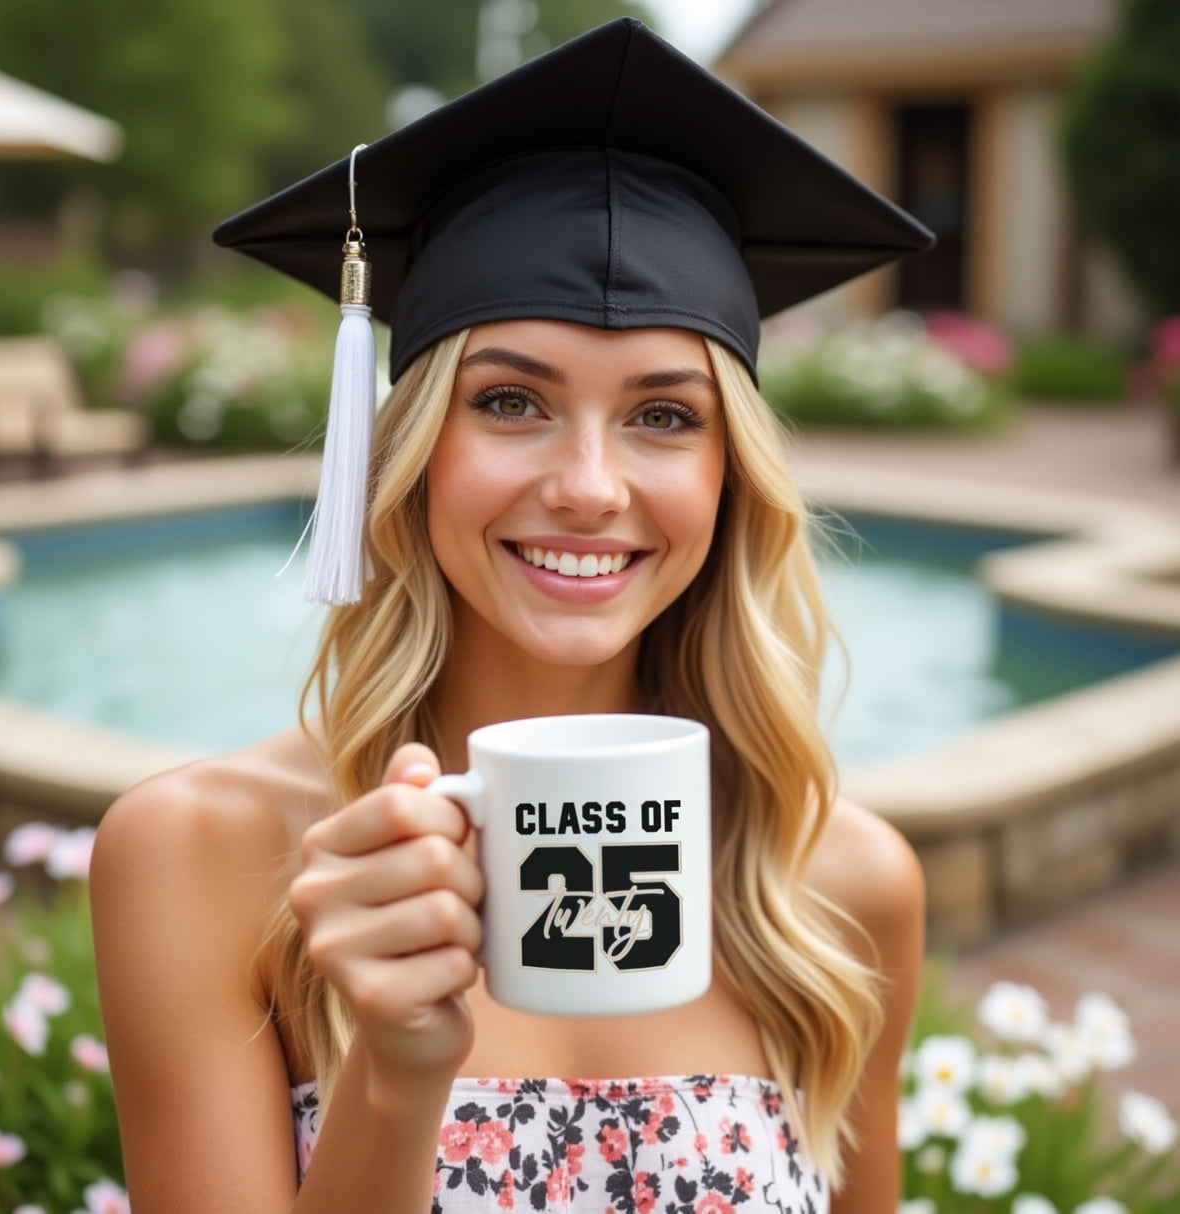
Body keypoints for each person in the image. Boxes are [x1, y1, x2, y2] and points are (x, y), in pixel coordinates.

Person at [90, 19, 932, 1214]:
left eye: (663, 415)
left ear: (728, 476)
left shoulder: (834, 884)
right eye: (509, 401)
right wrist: (393, 1075)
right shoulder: (205, 857)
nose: (589, 487)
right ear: (413, 448)